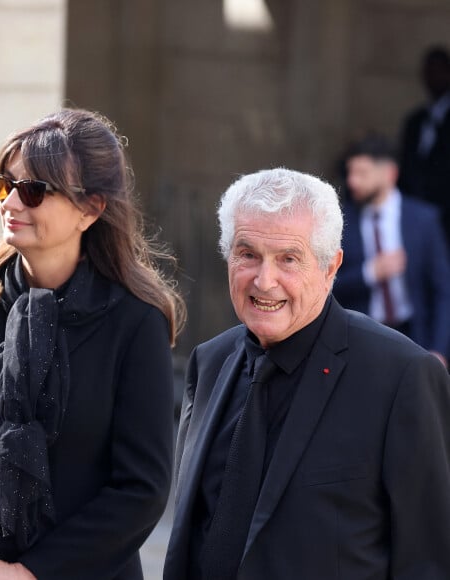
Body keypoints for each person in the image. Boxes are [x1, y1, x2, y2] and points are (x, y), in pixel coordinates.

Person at [0, 107, 186, 580]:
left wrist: (27, 573)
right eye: (4, 185)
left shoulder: (134, 321)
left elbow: (140, 490)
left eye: (33, 191)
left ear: (91, 209)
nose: (10, 203)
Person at [163, 168, 450, 580]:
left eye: (288, 259)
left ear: (331, 267)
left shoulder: (402, 376)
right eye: (247, 254)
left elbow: (430, 563)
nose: (265, 280)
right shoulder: (210, 362)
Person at [333, 134, 450, 367]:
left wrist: (438, 349)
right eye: (351, 173)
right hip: (360, 339)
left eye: (362, 173)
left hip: (415, 336)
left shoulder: (423, 219)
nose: (353, 182)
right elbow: (326, 285)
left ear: (389, 174)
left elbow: (443, 291)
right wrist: (369, 273)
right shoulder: (340, 221)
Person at [399, 45, 450, 246]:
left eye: (439, 71)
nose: (433, 77)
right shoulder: (416, 120)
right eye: (428, 71)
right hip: (416, 209)